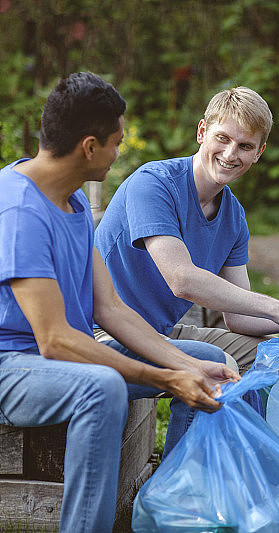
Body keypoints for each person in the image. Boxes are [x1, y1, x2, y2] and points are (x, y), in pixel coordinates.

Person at [0, 72, 239, 532]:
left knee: (204, 359)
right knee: (102, 387)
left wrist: (184, 367)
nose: (118, 153)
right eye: (116, 143)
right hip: (13, 367)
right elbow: (55, 342)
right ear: (90, 147)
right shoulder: (19, 211)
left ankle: (172, 510)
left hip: (64, 358)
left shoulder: (69, 201)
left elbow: (110, 309)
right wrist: (164, 375)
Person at [94, 86, 279, 374]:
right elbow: (181, 279)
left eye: (245, 146)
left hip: (160, 333)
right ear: (202, 132)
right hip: (105, 331)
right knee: (216, 361)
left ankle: (242, 422)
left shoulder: (233, 217)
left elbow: (237, 317)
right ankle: (196, 418)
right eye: (222, 138)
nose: (230, 153)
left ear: (259, 153)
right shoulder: (153, 184)